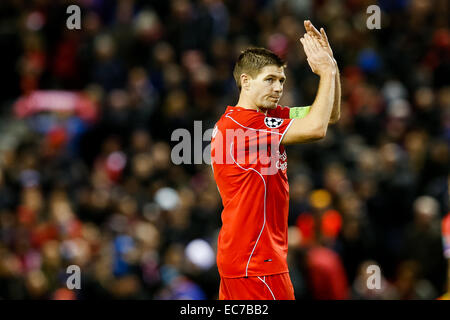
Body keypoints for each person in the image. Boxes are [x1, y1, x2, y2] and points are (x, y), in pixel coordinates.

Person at [210, 20, 341, 300]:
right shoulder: (244, 127)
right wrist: (326, 73)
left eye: (281, 80)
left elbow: (329, 115)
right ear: (245, 81)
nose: (278, 87)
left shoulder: (265, 118)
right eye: (269, 79)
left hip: (245, 259)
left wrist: (332, 67)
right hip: (257, 263)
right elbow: (316, 129)